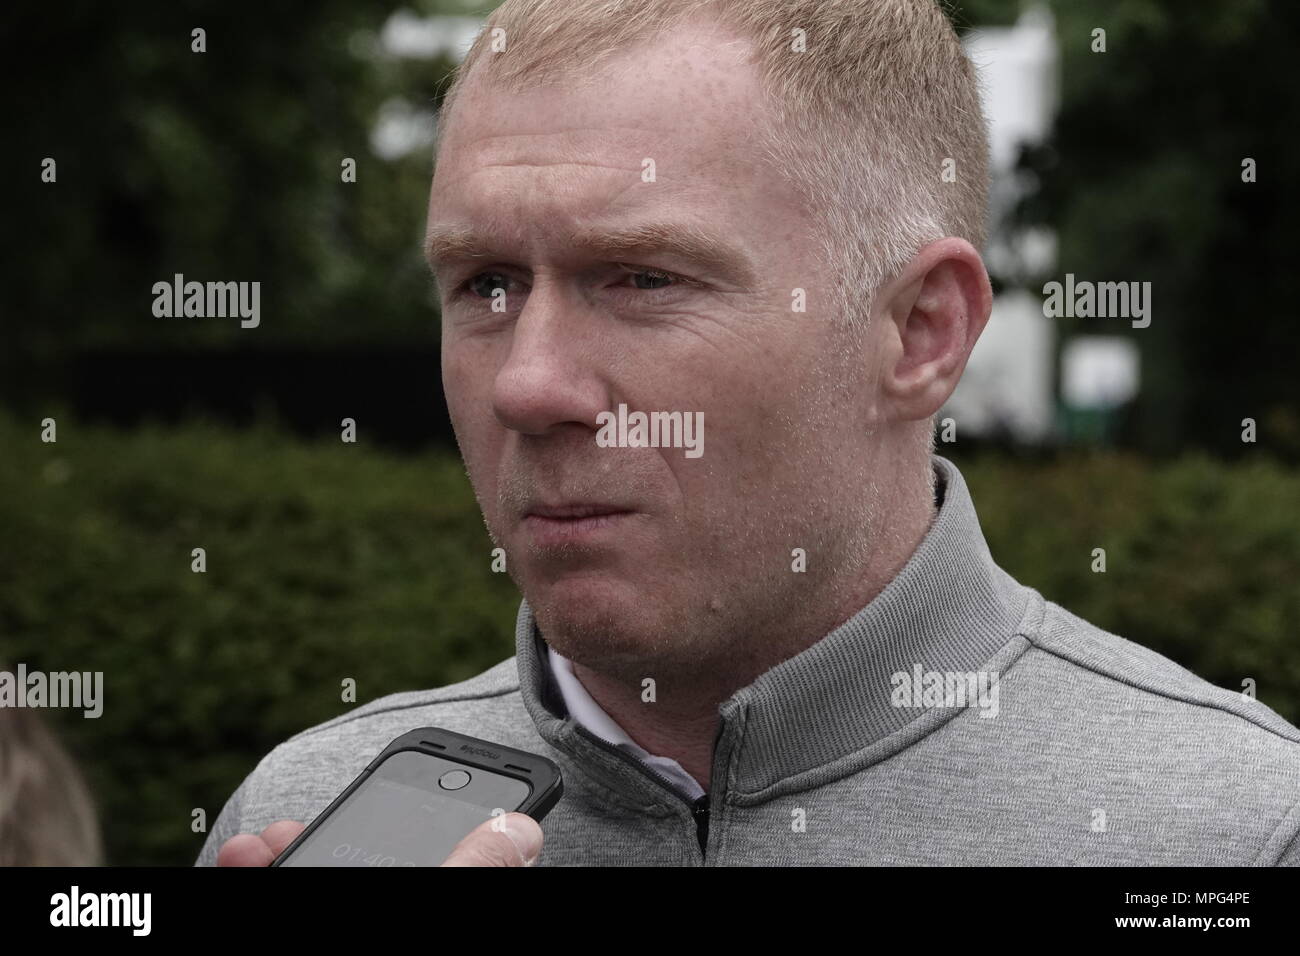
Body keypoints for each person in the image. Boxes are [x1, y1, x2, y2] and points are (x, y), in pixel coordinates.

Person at [199, 0, 1300, 867]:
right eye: (485, 283)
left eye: (640, 277)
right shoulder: (307, 812)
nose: (528, 385)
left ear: (920, 331)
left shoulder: (1234, 836)